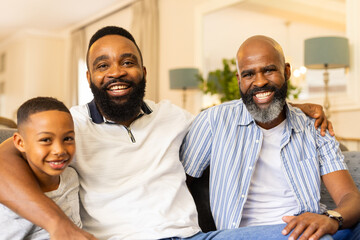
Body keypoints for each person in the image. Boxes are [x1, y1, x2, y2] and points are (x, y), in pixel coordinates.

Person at [0, 27, 331, 240]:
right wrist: (60, 225)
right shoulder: (70, 128)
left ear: (143, 72)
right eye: (103, 66)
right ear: (89, 77)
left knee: (322, 234)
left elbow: (238, 110)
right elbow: (5, 159)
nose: (116, 71)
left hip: (194, 238)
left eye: (127, 62)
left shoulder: (174, 117)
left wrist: (293, 106)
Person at [180, 35, 360, 240]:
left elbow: (349, 197)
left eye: (269, 70)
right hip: (244, 234)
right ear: (240, 80)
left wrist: (331, 218)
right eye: (249, 74)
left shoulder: (313, 126)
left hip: (309, 227)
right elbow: (177, 183)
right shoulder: (213, 122)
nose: (260, 81)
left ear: (287, 71)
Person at [0, 97, 82, 239]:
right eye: (45, 140)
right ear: (20, 142)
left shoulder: (71, 177)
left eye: (68, 138)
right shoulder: (9, 204)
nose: (59, 150)